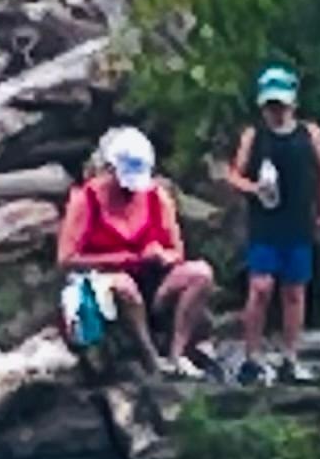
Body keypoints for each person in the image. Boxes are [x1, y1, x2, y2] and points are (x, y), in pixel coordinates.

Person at [56, 127, 211, 367]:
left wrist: (161, 254)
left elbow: (176, 252)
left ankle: (177, 354)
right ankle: (149, 357)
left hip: (151, 279)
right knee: (124, 285)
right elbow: (66, 259)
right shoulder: (85, 199)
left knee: (200, 273)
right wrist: (121, 258)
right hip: (104, 281)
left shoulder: (156, 196)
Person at [218, 64, 320, 381]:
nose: (276, 112)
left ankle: (290, 356)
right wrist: (254, 189)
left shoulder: (309, 133)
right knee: (260, 288)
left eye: (280, 105)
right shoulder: (254, 136)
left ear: (292, 103)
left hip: (298, 220)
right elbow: (233, 176)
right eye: (270, 106)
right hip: (265, 222)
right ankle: (252, 355)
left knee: (294, 291)